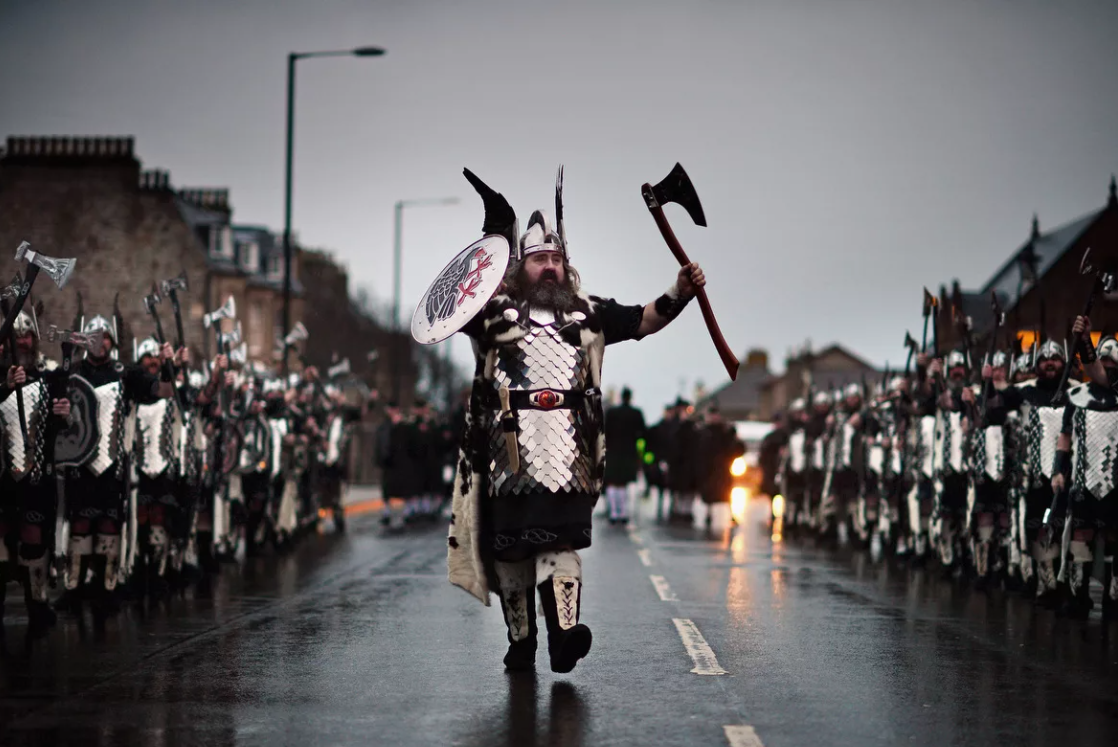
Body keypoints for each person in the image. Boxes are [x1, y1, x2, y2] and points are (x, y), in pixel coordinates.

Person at [446, 168, 705, 673]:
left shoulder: (589, 313)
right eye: (539, 259)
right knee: (512, 555)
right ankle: (522, 642)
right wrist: (494, 239)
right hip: (508, 454)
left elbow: (645, 319)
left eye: (556, 260)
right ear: (522, 266)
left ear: (567, 267)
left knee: (559, 543)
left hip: (569, 455)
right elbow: (458, 302)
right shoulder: (493, 313)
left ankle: (565, 638)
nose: (549, 267)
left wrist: (680, 290)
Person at [0, 310, 71, 632]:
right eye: (17, 337)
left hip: (36, 475)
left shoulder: (49, 377)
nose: (23, 341)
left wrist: (64, 413)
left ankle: (37, 604)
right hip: (2, 474)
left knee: (33, 539)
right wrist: (5, 385)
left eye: (27, 336)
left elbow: (62, 426)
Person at [602, 387, 646, 524]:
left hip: (612, 452)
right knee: (624, 484)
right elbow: (642, 434)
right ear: (630, 397)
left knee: (612, 483)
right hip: (629, 453)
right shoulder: (636, 413)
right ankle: (623, 513)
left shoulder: (612, 413)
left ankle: (614, 513)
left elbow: (604, 431)